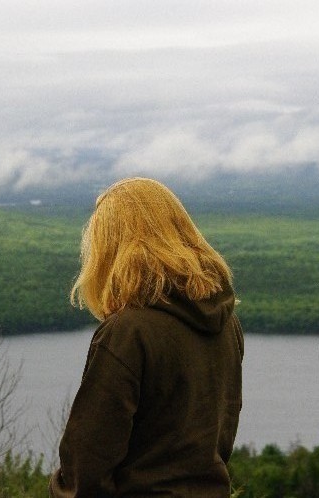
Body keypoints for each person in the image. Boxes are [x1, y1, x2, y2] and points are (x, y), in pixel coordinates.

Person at [49, 177, 244, 497]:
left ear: (111, 250)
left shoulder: (128, 334)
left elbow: (86, 467)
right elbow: (221, 439)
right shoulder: (227, 325)